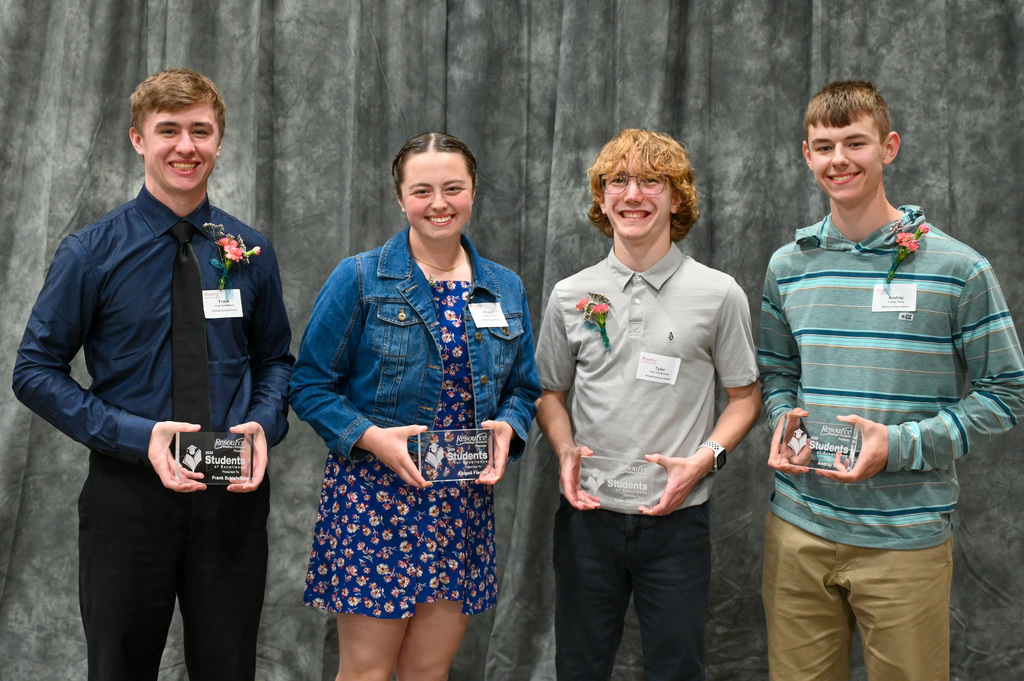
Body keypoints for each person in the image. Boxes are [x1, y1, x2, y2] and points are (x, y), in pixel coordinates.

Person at [11, 68, 293, 680]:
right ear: (138, 138)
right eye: (168, 130)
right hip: (128, 498)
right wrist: (140, 436)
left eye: (201, 131)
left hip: (231, 493)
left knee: (227, 669)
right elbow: (34, 371)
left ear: (220, 142)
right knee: (119, 668)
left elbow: (275, 361)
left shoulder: (249, 250)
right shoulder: (91, 253)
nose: (185, 147)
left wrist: (263, 426)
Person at [758, 80, 1024, 681]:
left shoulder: (957, 268)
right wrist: (784, 422)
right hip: (798, 529)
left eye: (856, 143)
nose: (839, 160)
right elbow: (777, 372)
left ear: (890, 146)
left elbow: (1007, 390)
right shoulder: (788, 266)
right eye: (824, 147)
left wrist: (899, 446)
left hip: (903, 537)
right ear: (806, 154)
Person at [289, 132, 541, 681]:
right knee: (366, 672)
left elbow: (525, 388)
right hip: (375, 503)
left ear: (473, 191)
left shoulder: (504, 287)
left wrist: (509, 427)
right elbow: (308, 385)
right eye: (422, 190)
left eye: (453, 188)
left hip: (460, 504)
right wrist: (371, 437)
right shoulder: (359, 278)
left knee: (428, 670)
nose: (439, 203)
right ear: (400, 198)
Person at [534, 128, 761, 680]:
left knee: (676, 668)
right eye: (618, 181)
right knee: (580, 667)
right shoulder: (569, 293)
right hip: (588, 520)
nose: (632, 195)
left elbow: (746, 397)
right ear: (602, 197)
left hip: (676, 522)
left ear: (677, 197)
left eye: (651, 182)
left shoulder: (719, 293)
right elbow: (550, 392)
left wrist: (703, 461)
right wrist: (564, 450)